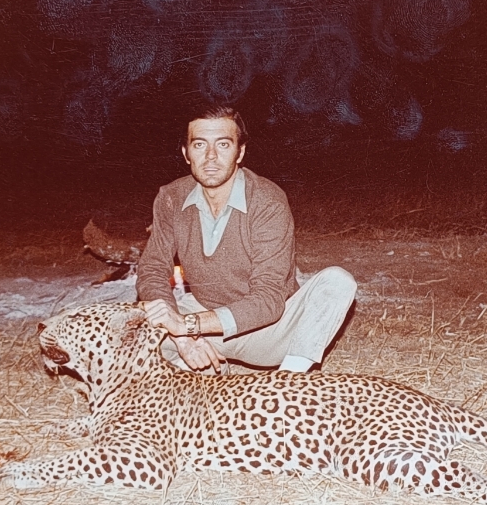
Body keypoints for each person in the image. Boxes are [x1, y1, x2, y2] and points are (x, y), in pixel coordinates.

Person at [138, 106, 356, 373]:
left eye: (223, 144)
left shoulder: (267, 200)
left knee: (337, 282)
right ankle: (210, 375)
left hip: (267, 330)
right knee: (130, 332)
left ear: (240, 152)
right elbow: (152, 269)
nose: (210, 156)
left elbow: (269, 299)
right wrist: (181, 337)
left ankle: (289, 381)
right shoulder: (172, 197)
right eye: (199, 144)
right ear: (186, 153)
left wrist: (187, 325)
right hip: (203, 322)